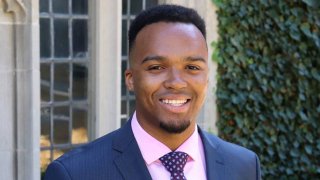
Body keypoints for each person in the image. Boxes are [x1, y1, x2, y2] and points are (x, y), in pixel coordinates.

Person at [44, 4, 261, 180]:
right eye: (157, 67)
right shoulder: (74, 174)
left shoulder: (244, 166)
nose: (176, 83)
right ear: (130, 79)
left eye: (192, 68)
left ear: (207, 77)